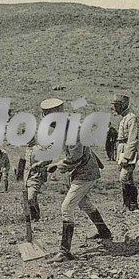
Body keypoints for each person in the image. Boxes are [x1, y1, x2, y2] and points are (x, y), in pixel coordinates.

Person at [41, 98, 112, 263]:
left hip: (86, 172)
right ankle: (104, 231)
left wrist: (57, 165)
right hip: (82, 171)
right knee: (84, 203)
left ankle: (64, 251)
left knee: (66, 208)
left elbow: (75, 157)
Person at [111, 94, 139, 212]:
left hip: (128, 151)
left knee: (124, 178)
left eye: (117, 106)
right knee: (127, 179)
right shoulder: (124, 118)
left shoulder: (131, 118)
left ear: (123, 105)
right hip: (122, 150)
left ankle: (132, 205)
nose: (115, 108)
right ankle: (127, 205)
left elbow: (133, 139)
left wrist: (127, 157)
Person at [19, 136, 51, 221]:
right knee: (32, 198)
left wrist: (38, 165)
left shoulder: (38, 148)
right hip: (27, 178)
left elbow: (48, 159)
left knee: (30, 198)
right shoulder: (27, 149)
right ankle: (36, 217)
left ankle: (34, 217)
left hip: (36, 177)